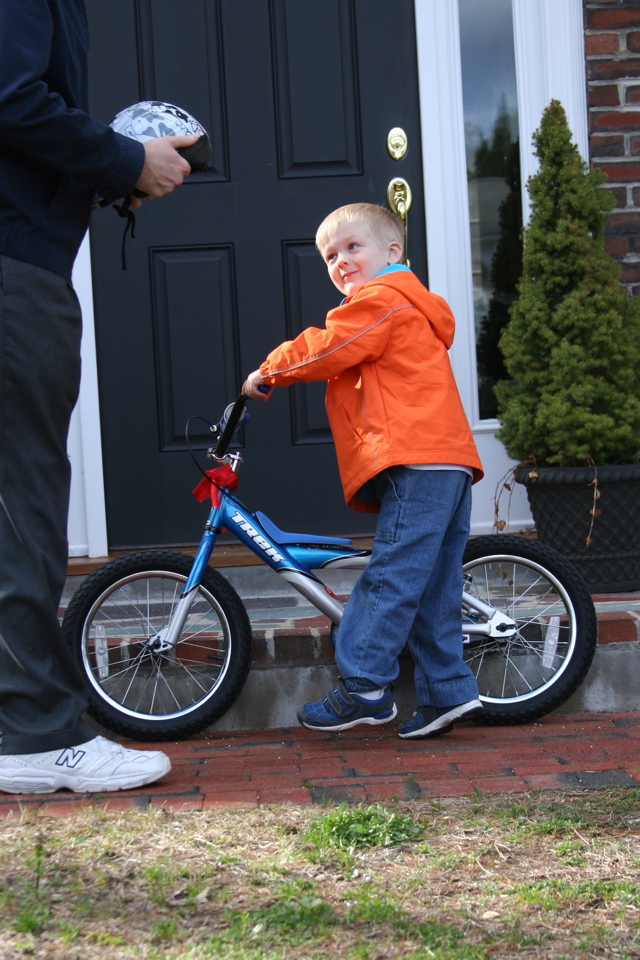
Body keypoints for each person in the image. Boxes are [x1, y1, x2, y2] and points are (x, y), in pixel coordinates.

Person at [0, 0, 198, 794]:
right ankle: (33, 733)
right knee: (22, 501)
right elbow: (10, 96)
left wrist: (105, 174)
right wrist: (124, 160)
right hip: (15, 274)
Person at [243, 202, 485, 739]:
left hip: (417, 459)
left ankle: (365, 687)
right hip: (447, 460)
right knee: (431, 581)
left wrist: (269, 370)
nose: (341, 261)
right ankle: (447, 690)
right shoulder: (413, 306)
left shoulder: (380, 300)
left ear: (392, 252)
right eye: (331, 255)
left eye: (354, 247)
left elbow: (331, 346)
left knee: (392, 573)